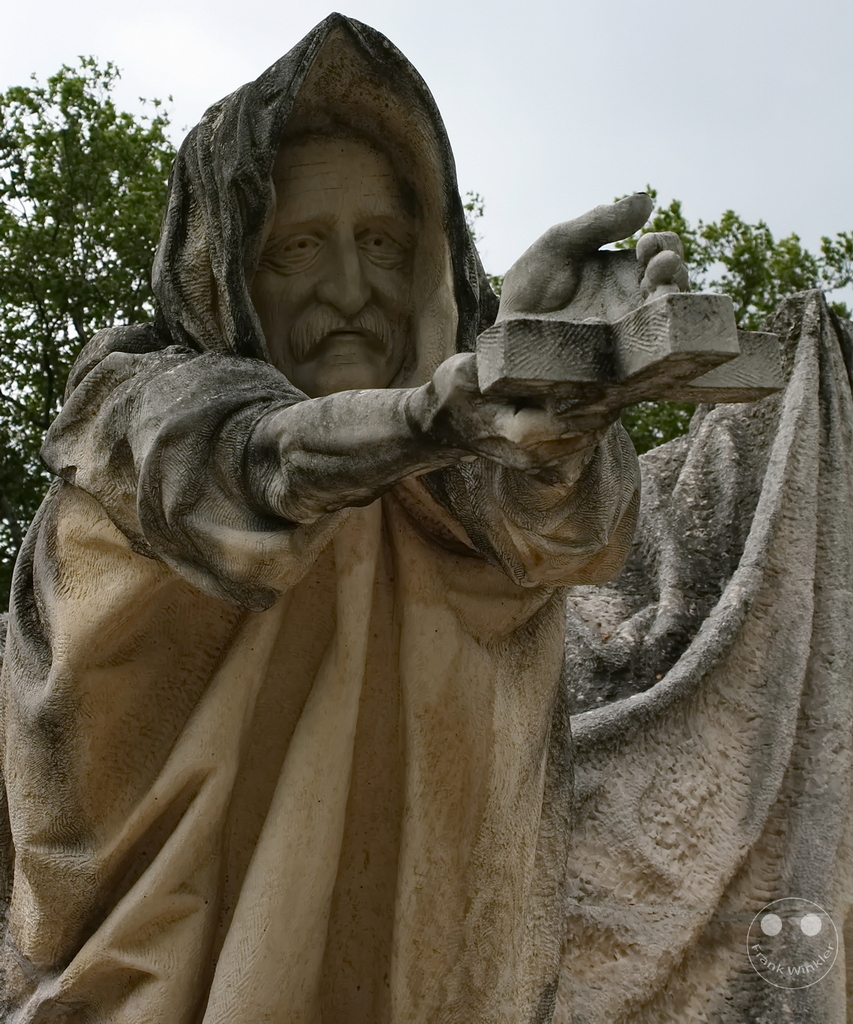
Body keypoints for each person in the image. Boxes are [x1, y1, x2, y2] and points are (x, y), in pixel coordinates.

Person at [0, 16, 687, 1024]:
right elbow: (253, 464)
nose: (354, 290)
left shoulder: (451, 470)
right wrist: (428, 415)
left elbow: (560, 528)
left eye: (381, 242)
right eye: (299, 250)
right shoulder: (130, 413)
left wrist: (541, 369)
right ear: (225, 267)